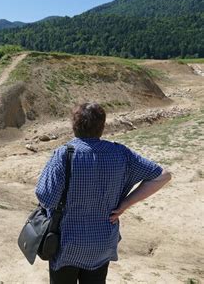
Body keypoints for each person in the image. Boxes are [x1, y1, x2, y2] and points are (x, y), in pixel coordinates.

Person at [35, 102, 171, 284]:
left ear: (74, 125)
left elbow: (45, 197)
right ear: (102, 126)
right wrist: (125, 204)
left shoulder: (63, 155)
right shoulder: (120, 153)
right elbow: (163, 176)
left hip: (66, 244)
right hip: (103, 243)